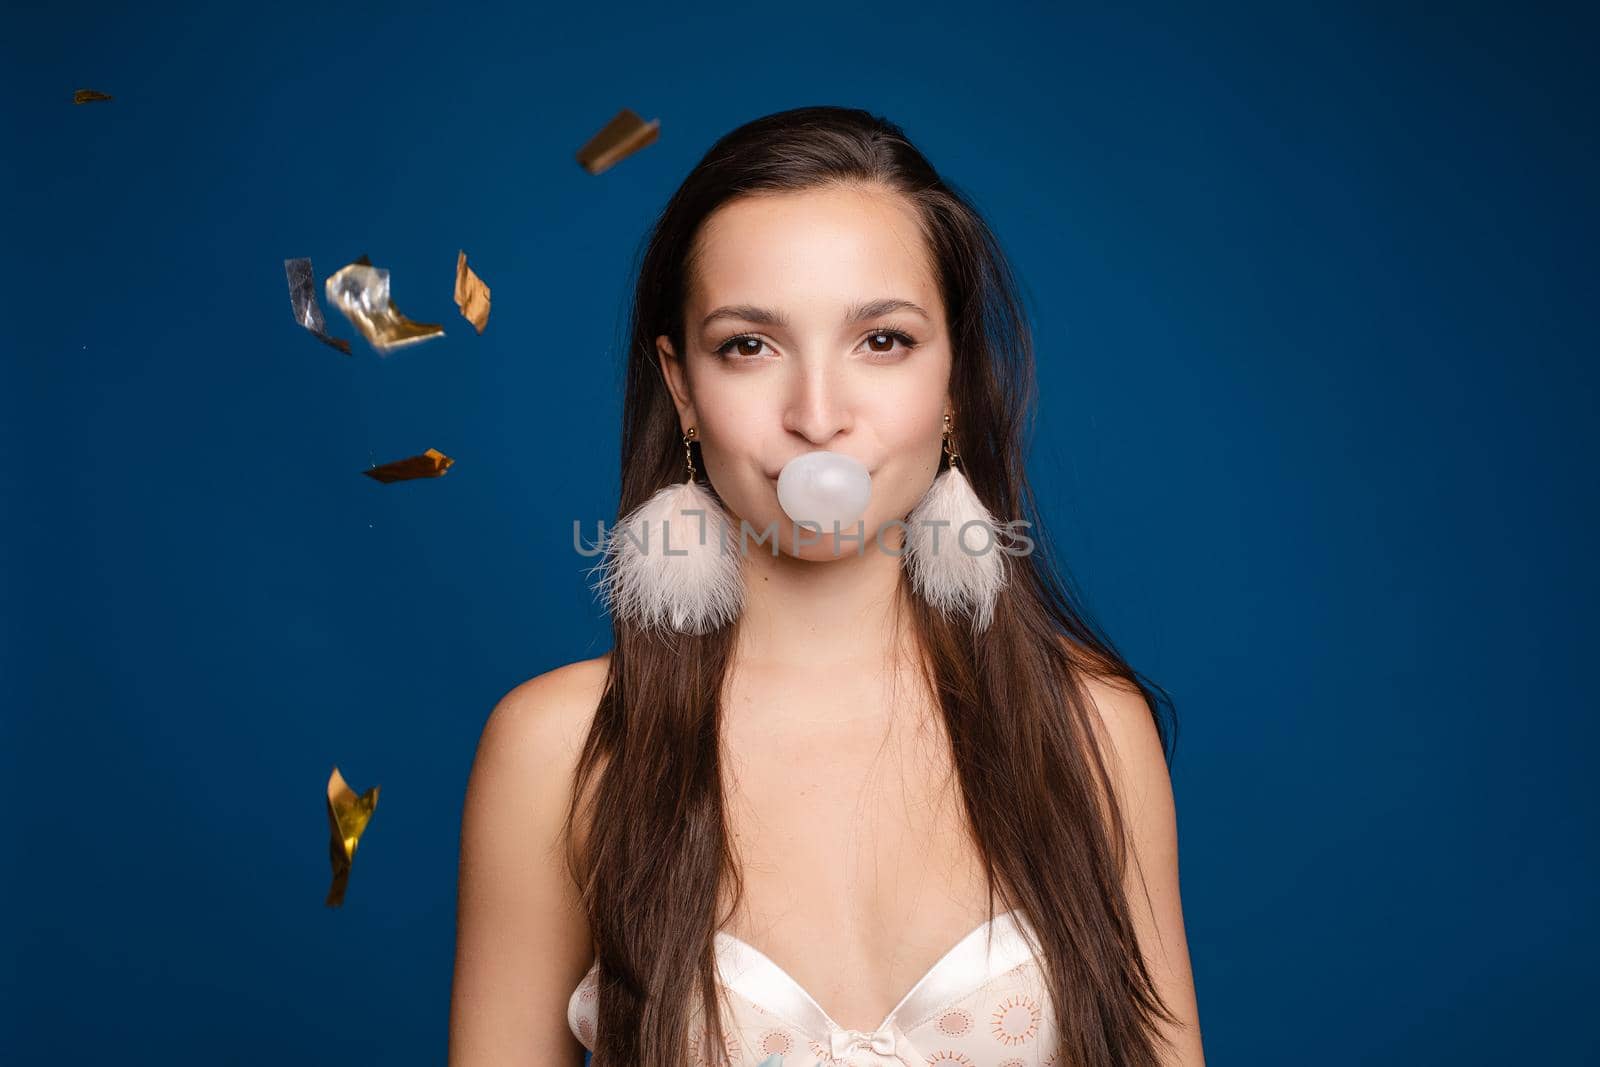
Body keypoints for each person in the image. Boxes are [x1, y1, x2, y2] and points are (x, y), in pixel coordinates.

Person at [449, 105, 1205, 1067]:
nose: (817, 415)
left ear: (957, 384)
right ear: (682, 389)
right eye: (749, 346)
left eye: (881, 340)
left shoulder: (1091, 723)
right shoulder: (558, 751)